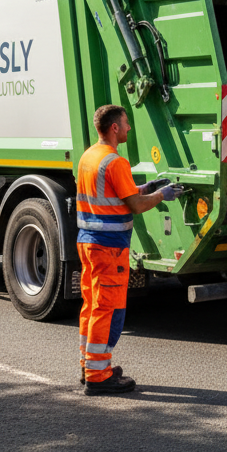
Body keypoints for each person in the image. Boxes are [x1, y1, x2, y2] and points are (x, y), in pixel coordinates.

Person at [76, 104, 180, 396]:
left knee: (91, 305)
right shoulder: (115, 161)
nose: (129, 128)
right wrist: (162, 195)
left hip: (88, 242)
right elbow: (134, 206)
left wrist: (145, 187)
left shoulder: (89, 156)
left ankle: (89, 365)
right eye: (126, 123)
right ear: (114, 128)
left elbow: (117, 194)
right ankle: (98, 376)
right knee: (108, 309)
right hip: (109, 248)